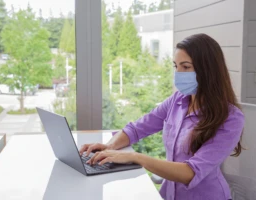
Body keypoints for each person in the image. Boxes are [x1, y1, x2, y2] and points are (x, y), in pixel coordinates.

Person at [79, 33, 244, 200]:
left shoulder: (231, 118)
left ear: (208, 70)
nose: (178, 73)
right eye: (176, 66)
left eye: (186, 67)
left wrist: (135, 157)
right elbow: (137, 129)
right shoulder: (177, 100)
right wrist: (110, 147)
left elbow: (191, 173)